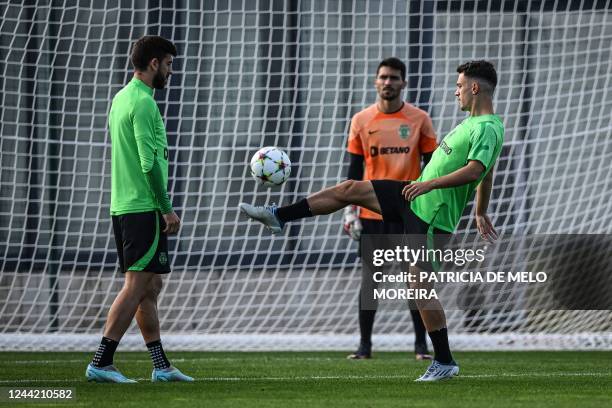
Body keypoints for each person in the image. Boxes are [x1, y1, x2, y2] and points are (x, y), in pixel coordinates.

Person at [240, 60, 504, 382]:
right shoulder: (469, 123)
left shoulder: (488, 126)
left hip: (432, 214)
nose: (456, 91)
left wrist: (430, 184)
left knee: (419, 286)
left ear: (474, 88)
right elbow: (486, 173)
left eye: (460, 85)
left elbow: (478, 169)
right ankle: (278, 215)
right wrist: (479, 210)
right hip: (415, 199)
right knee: (350, 189)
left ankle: (443, 360)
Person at [86, 35, 192, 383]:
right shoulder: (144, 104)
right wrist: (166, 208)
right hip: (143, 207)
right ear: (154, 64)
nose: (170, 72)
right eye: (169, 65)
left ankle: (161, 366)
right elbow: (148, 164)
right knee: (136, 285)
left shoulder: (121, 98)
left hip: (124, 206)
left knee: (149, 286)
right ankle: (101, 361)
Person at [342, 57, 437, 361]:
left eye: (394, 78)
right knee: (371, 280)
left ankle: (421, 346)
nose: (388, 82)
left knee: (416, 281)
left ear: (403, 83)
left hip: (410, 212)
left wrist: (431, 206)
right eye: (383, 77)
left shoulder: (419, 119)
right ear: (375, 81)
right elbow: (354, 169)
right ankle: (364, 346)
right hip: (373, 215)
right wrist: (349, 211)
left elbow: (432, 167)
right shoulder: (361, 120)